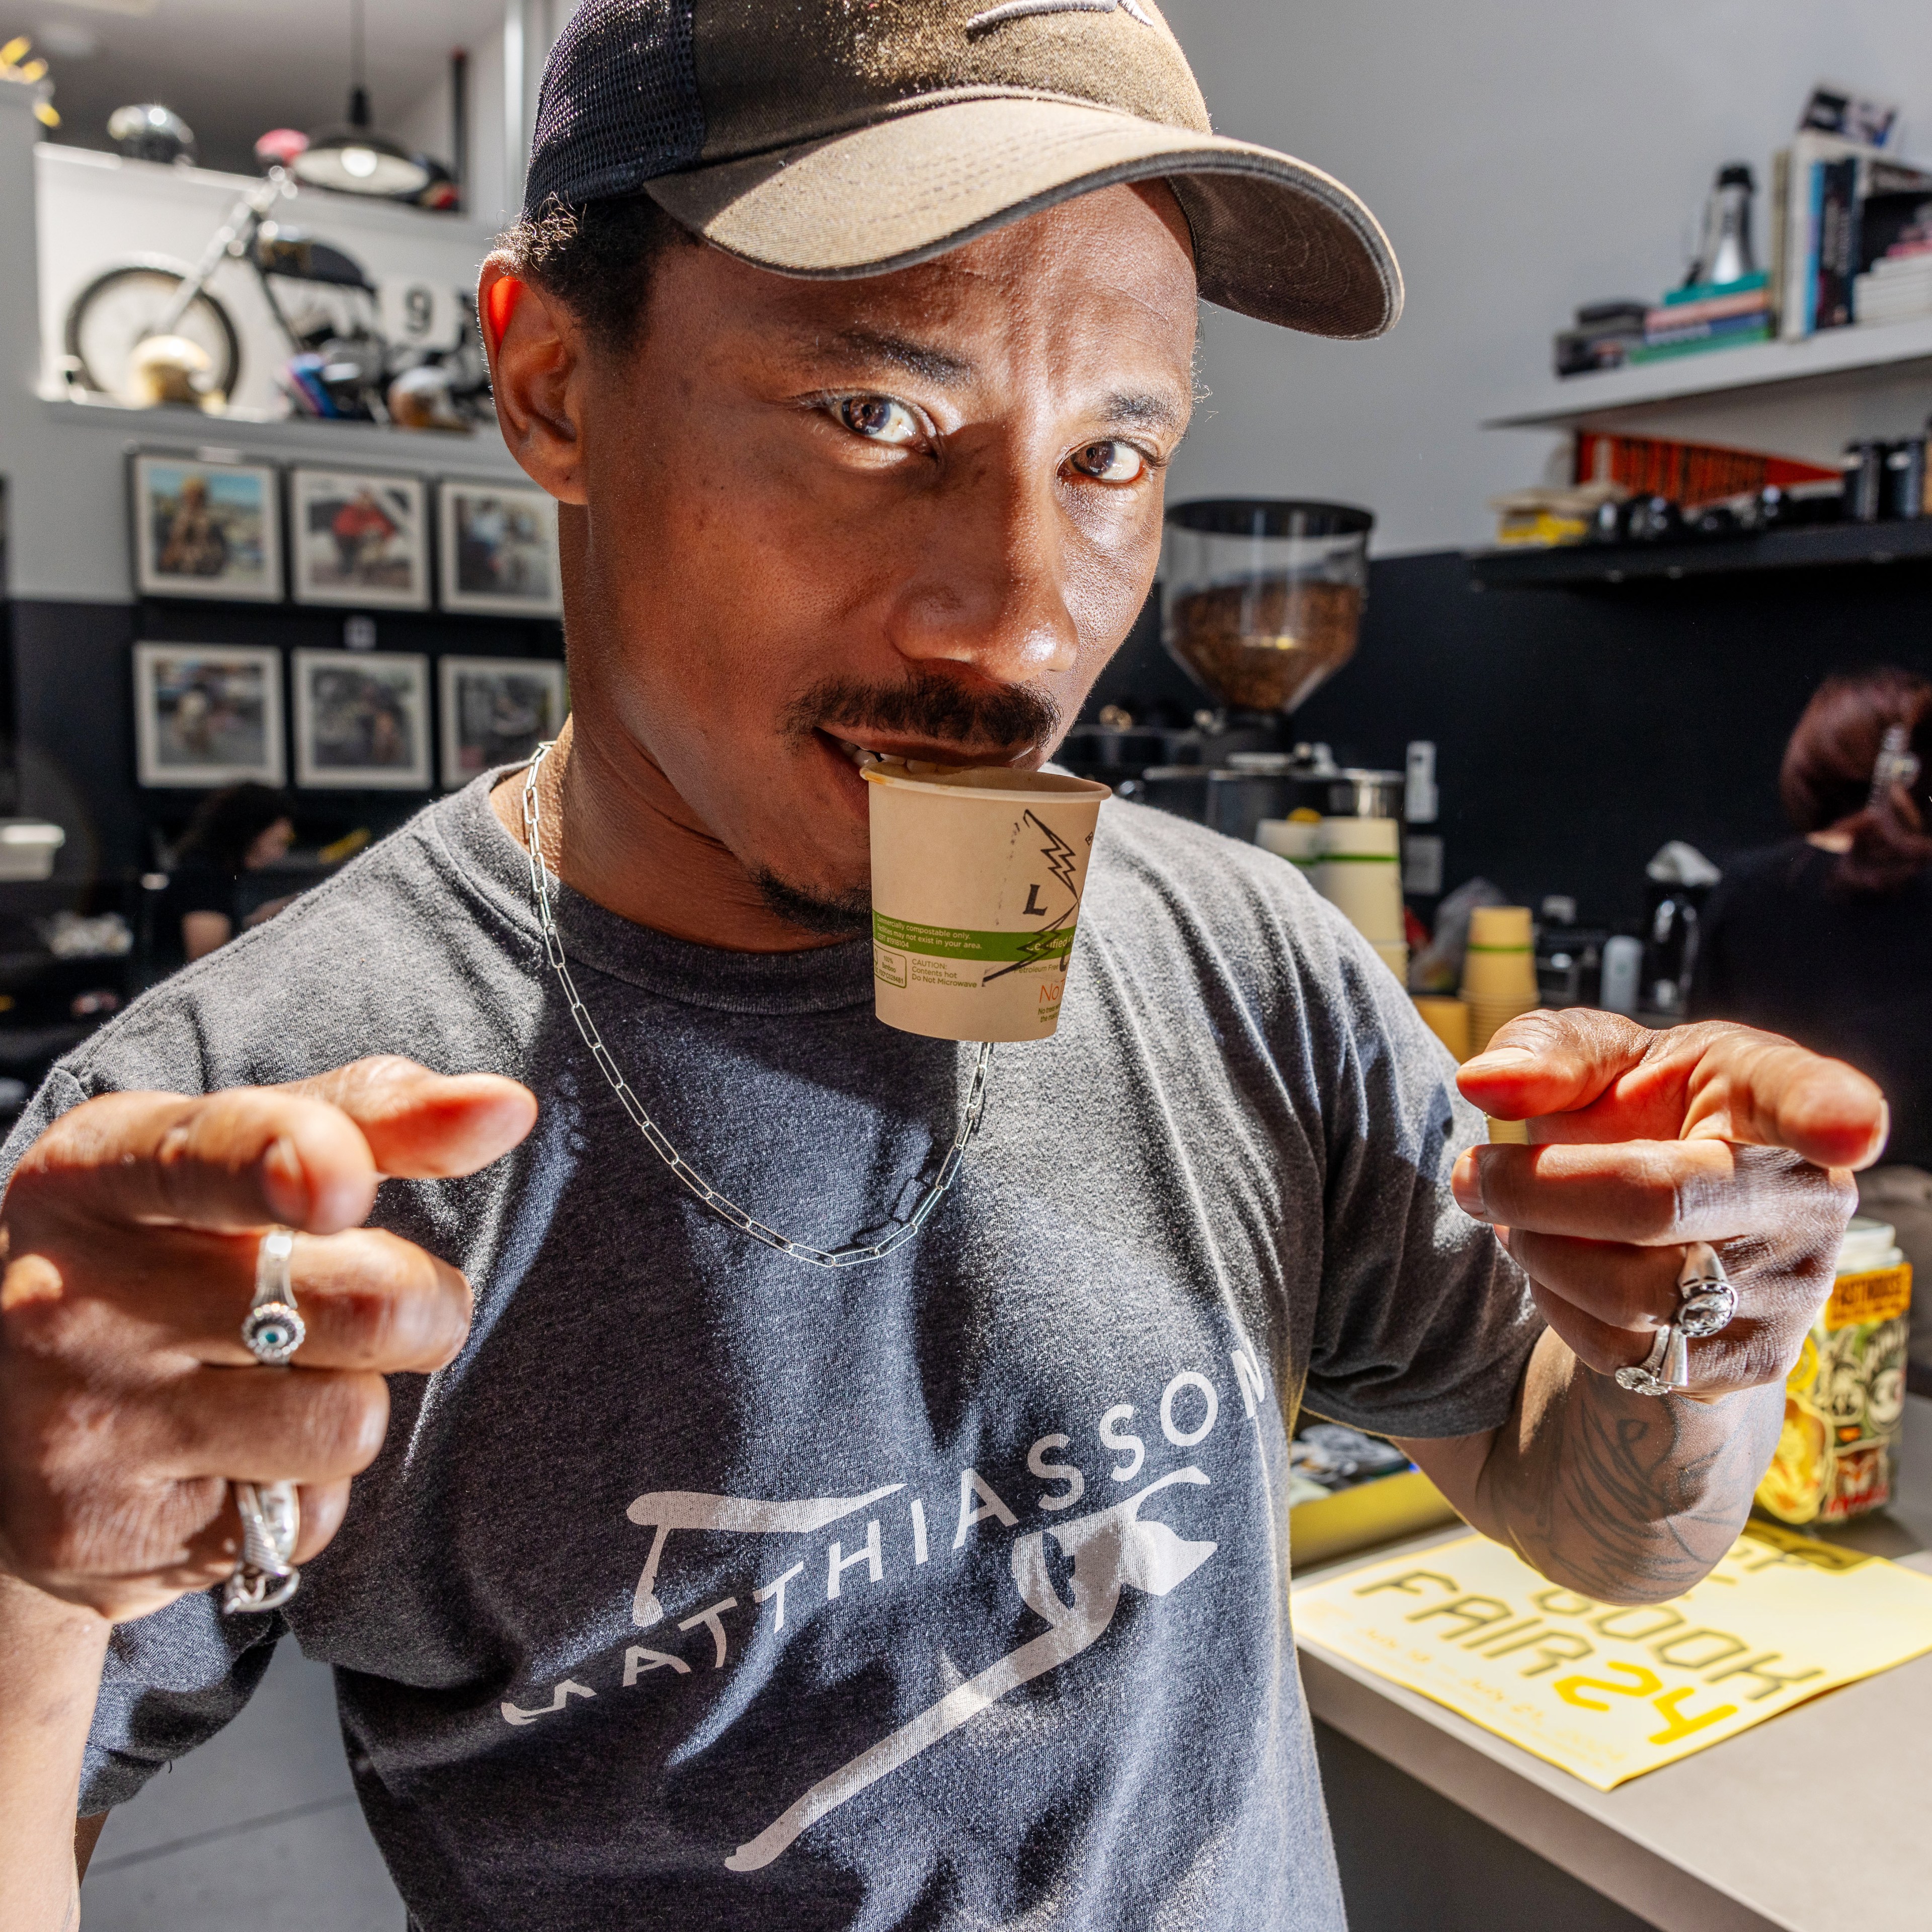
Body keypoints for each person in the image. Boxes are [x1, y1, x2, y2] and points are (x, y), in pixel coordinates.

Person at [0, 9, 1884, 1930]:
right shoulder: (258, 1116)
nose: (1020, 621)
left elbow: (1591, 1515)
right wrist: (25, 1589)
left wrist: (1688, 1353)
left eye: (1110, 453)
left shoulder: (1246, 961)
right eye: (877, 418)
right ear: (554, 381)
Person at [1692, 666, 1932, 1379]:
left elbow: (1700, 1062)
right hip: (1911, 1230)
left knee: (1770, 1422)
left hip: (1767, 1219)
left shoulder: (1747, 889)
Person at [163, 782, 298, 961]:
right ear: (251, 834)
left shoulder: (211, 872)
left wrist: (258, 921)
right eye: (277, 843)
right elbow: (206, 960)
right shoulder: (204, 877)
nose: (280, 854)